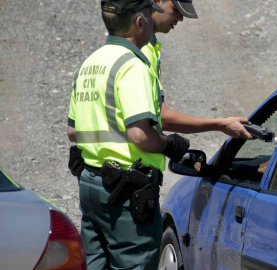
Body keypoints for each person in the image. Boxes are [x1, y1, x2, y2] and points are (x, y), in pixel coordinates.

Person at [66, 0, 191, 268]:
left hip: (91, 184)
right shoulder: (133, 65)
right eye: (150, 12)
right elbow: (140, 136)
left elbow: (73, 131)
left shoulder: (89, 64)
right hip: (125, 195)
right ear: (140, 22)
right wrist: (171, 144)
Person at [141, 0, 253, 140]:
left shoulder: (148, 46)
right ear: (156, 2)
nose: (181, 18)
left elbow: (158, 113)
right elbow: (162, 118)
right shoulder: (141, 49)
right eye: (176, 9)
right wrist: (221, 124)